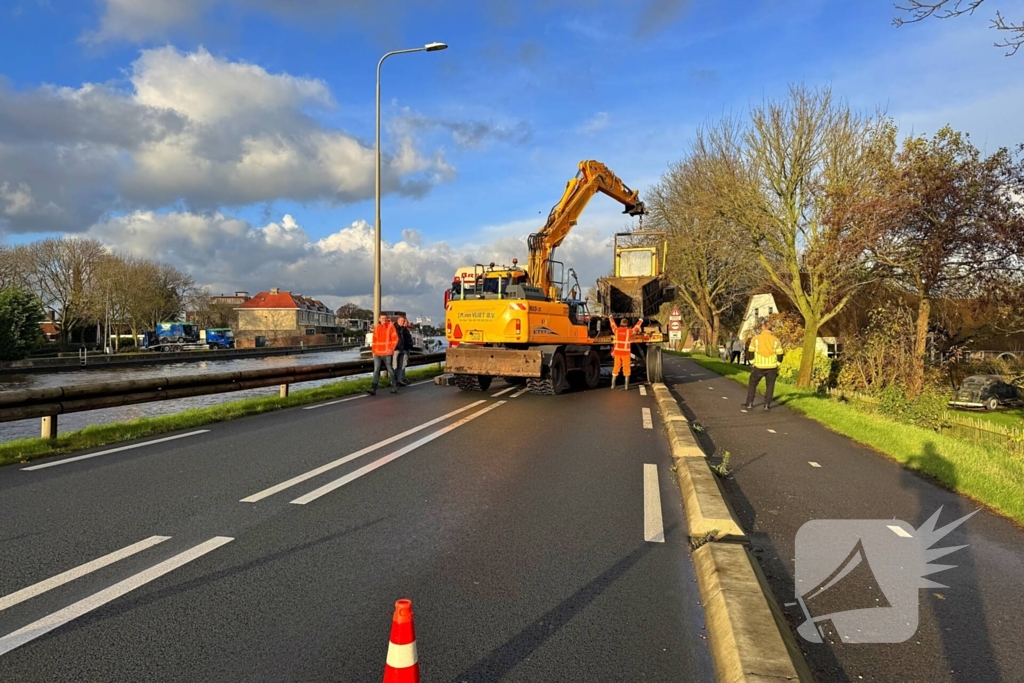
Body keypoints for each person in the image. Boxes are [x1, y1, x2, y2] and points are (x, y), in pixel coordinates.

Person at [743, 319, 783, 410]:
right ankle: (766, 405)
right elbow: (780, 353)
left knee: (752, 383)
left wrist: (752, 362)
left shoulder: (756, 338)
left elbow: (751, 351)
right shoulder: (776, 340)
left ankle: (749, 403)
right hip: (772, 366)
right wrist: (777, 363)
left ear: (763, 327)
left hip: (759, 365)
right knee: (770, 385)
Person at [368, 313, 399, 395]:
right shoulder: (377, 328)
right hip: (377, 353)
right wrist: (373, 352)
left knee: (389, 368)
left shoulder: (390, 326)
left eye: (385, 318)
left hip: (387, 352)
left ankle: (395, 385)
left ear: (387, 318)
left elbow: (395, 339)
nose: (384, 320)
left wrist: (391, 349)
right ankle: (373, 388)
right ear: (379, 319)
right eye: (382, 318)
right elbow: (374, 341)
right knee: (376, 370)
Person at [609, 317, 643, 390]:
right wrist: (640, 320)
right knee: (626, 368)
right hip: (626, 353)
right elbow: (636, 328)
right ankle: (626, 386)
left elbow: (613, 325)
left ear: (620, 324)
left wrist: (610, 317)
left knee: (616, 367)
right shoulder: (629, 331)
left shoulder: (616, 330)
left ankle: (613, 385)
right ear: (627, 324)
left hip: (617, 352)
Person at [394, 316, 414, 386]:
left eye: (404, 321)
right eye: (402, 321)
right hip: (397, 349)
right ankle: (395, 381)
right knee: (396, 366)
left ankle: (399, 380)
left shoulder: (403, 329)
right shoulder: (395, 328)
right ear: (398, 320)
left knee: (401, 365)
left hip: (402, 349)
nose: (403, 323)